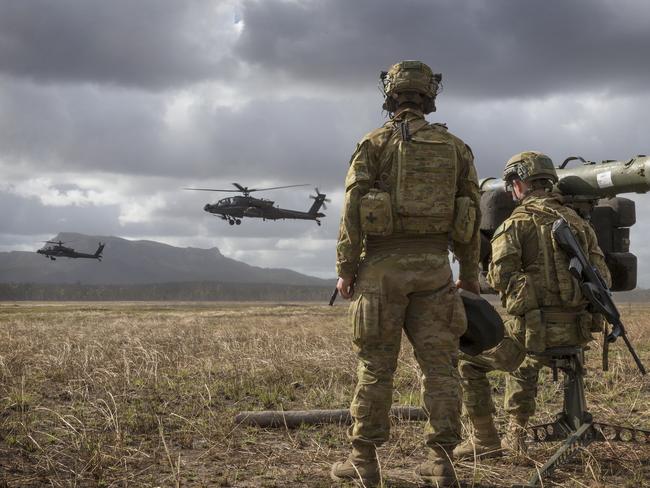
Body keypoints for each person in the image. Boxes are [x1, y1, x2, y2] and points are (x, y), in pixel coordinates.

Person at [331, 60, 481, 487]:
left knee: (376, 368)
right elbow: (470, 214)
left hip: (381, 271)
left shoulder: (373, 143)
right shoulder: (456, 147)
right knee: (441, 368)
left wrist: (345, 268)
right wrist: (468, 273)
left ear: (391, 95)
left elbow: (351, 212)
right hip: (435, 270)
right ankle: (442, 462)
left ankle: (364, 462)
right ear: (429, 96)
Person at [455, 151, 611, 459]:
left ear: (519, 185)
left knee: (469, 361)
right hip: (576, 333)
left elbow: (499, 276)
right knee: (524, 351)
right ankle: (518, 432)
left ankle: (489, 439)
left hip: (536, 333)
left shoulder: (516, 224)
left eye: (512, 184)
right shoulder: (579, 224)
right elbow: (602, 276)